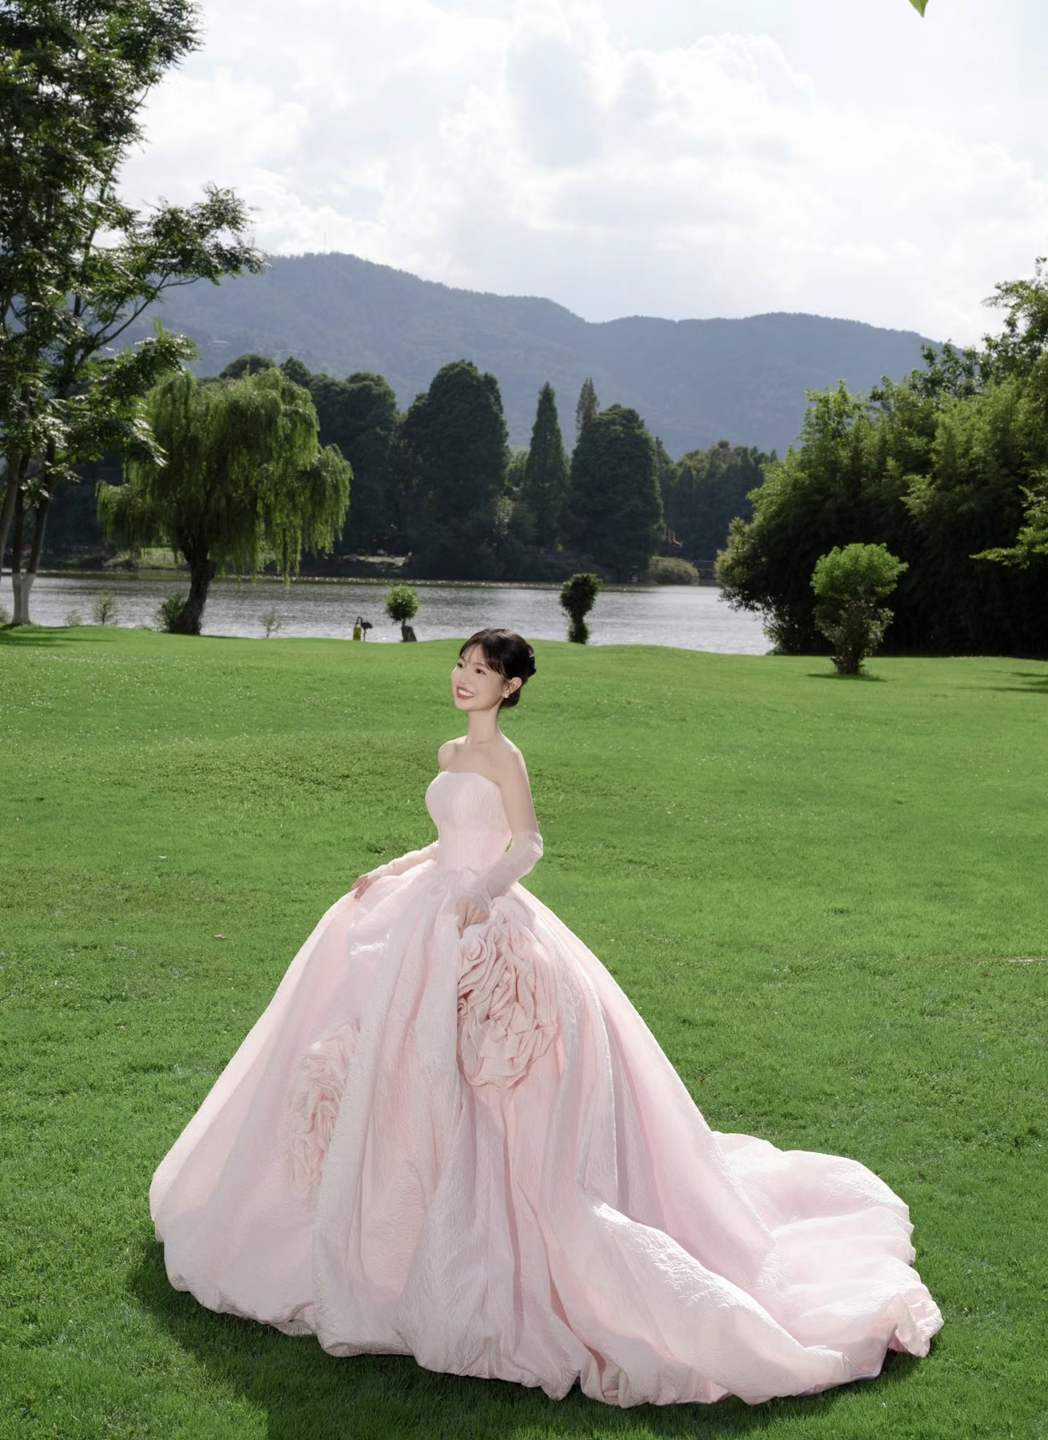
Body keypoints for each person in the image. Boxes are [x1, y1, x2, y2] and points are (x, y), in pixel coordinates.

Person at [150, 628, 942, 1407]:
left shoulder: (505, 757)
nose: (464, 678)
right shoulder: (450, 752)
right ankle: (391, 1223)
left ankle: (487, 1232)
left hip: (480, 917)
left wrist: (480, 892)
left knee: (486, 1080)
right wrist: (394, 866)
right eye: (460, 664)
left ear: (511, 686)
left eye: (481, 670)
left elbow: (526, 844)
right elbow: (447, 840)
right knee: (401, 1061)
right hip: (434, 909)